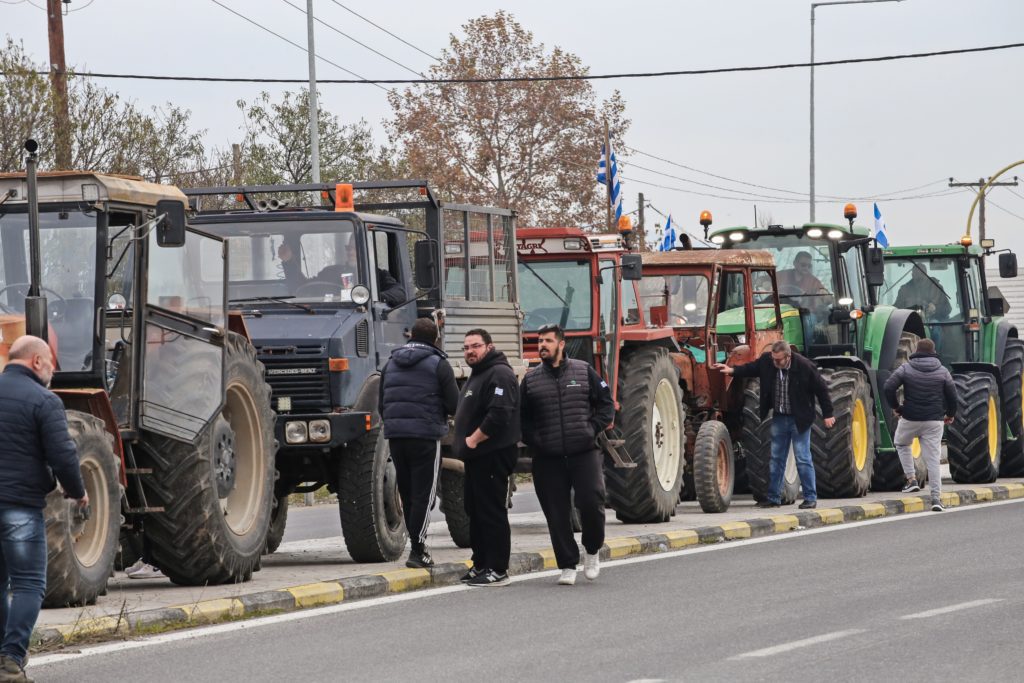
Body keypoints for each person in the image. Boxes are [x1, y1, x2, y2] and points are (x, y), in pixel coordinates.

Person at [0, 336, 87, 683]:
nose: (53, 370)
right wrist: (78, 492)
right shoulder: (44, 400)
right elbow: (63, 455)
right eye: (51, 362)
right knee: (29, 584)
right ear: (36, 361)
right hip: (19, 506)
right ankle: (10, 661)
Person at [520, 324, 614, 586]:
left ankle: (592, 550)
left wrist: (590, 430)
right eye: (540, 341)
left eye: (548, 341)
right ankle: (567, 564)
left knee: (592, 502)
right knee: (556, 513)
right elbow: (522, 418)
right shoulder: (530, 380)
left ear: (561, 344)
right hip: (547, 458)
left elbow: (606, 404)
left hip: (583, 453)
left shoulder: (584, 371)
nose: (542, 345)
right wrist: (535, 440)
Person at [713, 340, 835, 509]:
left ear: (788, 356)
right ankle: (773, 497)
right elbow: (751, 368)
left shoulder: (804, 366)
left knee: (802, 458)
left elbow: (822, 390)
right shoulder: (767, 361)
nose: (775, 363)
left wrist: (828, 414)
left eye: (779, 360)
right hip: (780, 418)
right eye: (773, 359)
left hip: (800, 419)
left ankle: (810, 497)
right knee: (776, 459)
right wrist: (732, 371)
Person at [379, 317, 459, 568]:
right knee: (424, 495)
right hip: (425, 436)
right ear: (435, 339)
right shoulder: (439, 363)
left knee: (408, 492)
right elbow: (454, 404)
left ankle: (416, 546)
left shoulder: (390, 363)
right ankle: (419, 550)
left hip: (396, 436)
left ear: (410, 336)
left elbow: (382, 403)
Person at [452, 329, 521, 587]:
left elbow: (499, 414)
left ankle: (498, 569)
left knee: (492, 511)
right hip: (476, 458)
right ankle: (480, 563)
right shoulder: (478, 374)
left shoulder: (499, 373)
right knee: (475, 509)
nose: (470, 351)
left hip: (493, 454)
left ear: (489, 347)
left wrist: (473, 439)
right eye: (466, 347)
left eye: (476, 346)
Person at [883, 338, 956, 512]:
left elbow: (888, 387)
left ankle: (911, 480)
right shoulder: (942, 370)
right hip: (934, 421)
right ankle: (936, 499)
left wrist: (897, 408)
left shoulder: (906, 367)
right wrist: (950, 414)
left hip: (910, 418)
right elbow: (953, 395)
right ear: (933, 351)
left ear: (916, 349)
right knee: (933, 460)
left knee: (901, 443)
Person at [279, 237, 405, 306]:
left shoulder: (377, 275)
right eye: (348, 248)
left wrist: (370, 297)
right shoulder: (330, 272)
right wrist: (288, 261)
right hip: (326, 315)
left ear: (368, 251)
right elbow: (303, 287)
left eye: (355, 249)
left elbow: (399, 293)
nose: (350, 252)